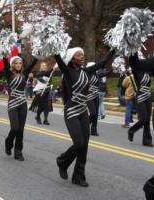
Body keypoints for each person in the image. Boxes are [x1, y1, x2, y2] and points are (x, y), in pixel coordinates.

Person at [54, 48, 115, 187]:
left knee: (84, 146)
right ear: (71, 58)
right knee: (79, 144)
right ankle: (62, 162)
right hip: (71, 112)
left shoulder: (86, 72)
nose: (82, 56)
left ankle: (78, 176)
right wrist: (54, 42)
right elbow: (57, 57)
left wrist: (115, 48)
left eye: (83, 54)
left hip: (82, 111)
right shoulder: (67, 72)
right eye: (78, 54)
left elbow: (103, 62)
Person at [129, 30, 154, 200]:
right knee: (143, 119)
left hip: (149, 99)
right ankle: (152, 187)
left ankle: (153, 187)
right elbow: (136, 65)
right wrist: (132, 41)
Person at [3, 56, 37, 161]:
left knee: (20, 130)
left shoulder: (24, 74)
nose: (18, 65)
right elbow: (5, 63)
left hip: (22, 104)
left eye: (20, 63)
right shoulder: (9, 75)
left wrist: (37, 55)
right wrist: (4, 53)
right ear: (12, 65)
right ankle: (8, 143)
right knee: (14, 128)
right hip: (12, 103)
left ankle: (18, 152)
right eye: (16, 63)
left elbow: (33, 64)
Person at [128, 59, 153, 147]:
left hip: (148, 97)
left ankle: (147, 140)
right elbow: (133, 63)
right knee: (143, 119)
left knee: (147, 120)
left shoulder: (149, 72)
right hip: (140, 97)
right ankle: (131, 130)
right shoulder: (137, 72)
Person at [86, 62, 112, 136]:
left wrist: (112, 70)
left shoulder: (97, 74)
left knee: (96, 114)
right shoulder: (86, 74)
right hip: (89, 96)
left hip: (96, 95)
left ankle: (93, 130)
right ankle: (85, 124)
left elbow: (105, 74)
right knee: (93, 113)